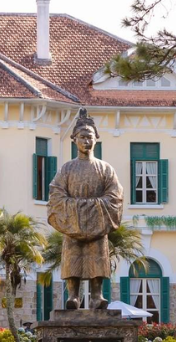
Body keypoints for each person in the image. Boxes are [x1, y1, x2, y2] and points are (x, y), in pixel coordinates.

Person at [47, 108, 123, 310]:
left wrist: (93, 209)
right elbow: (56, 194)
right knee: (73, 258)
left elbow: (115, 195)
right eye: (82, 137)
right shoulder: (67, 169)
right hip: (73, 224)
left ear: (96, 139)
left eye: (89, 137)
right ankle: (73, 295)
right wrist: (76, 210)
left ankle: (97, 296)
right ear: (74, 140)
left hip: (98, 226)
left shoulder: (105, 169)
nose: (86, 141)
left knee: (97, 257)